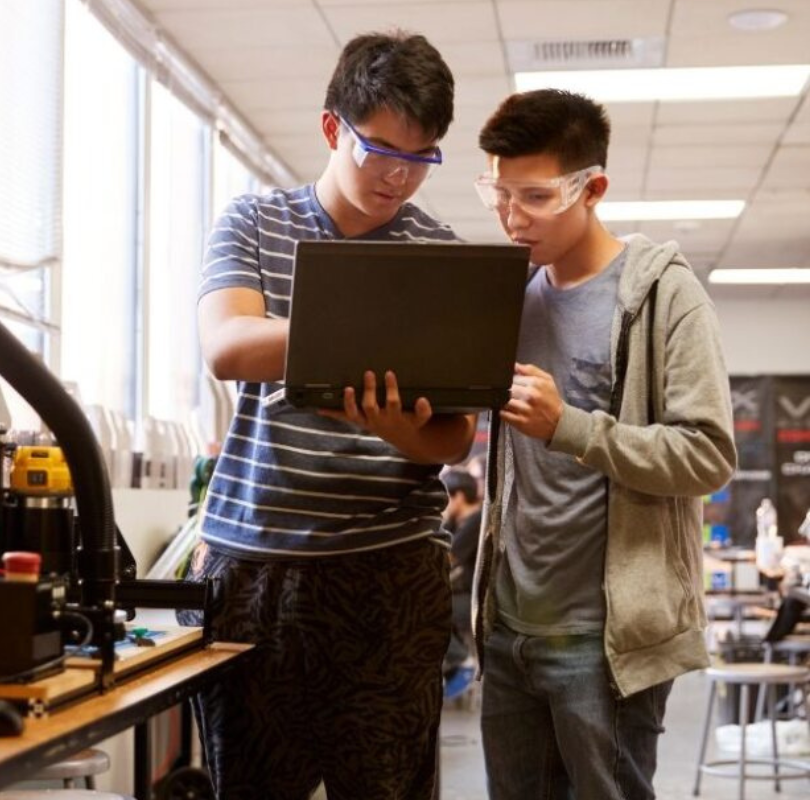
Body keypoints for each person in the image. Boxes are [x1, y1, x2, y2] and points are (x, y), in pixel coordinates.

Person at [182, 31, 474, 800]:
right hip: (254, 564)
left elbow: (452, 435)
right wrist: (360, 336)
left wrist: (388, 423)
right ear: (330, 128)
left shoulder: (437, 256)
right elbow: (227, 345)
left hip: (389, 568)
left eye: (421, 159)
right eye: (380, 151)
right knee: (247, 785)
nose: (397, 178)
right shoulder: (252, 222)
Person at [471, 88, 737, 798]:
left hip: (606, 641)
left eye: (533, 196)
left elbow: (709, 452)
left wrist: (573, 427)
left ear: (593, 188)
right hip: (507, 628)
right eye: (497, 194)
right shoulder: (508, 295)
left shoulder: (663, 296)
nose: (510, 216)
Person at [441, 468, 481, 684]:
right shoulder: (458, 522)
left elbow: (447, 557)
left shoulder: (477, 520)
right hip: (461, 592)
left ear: (459, 497)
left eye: (447, 498)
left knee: (431, 611)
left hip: (476, 599)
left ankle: (463, 661)